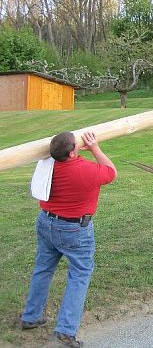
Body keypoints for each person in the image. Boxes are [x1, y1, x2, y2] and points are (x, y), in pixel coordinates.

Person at [21, 131, 117, 348]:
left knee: (43, 268)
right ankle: (65, 331)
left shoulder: (47, 165)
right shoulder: (87, 169)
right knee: (80, 274)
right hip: (74, 230)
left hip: (46, 223)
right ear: (73, 152)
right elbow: (111, 172)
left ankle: (31, 316)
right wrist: (95, 148)